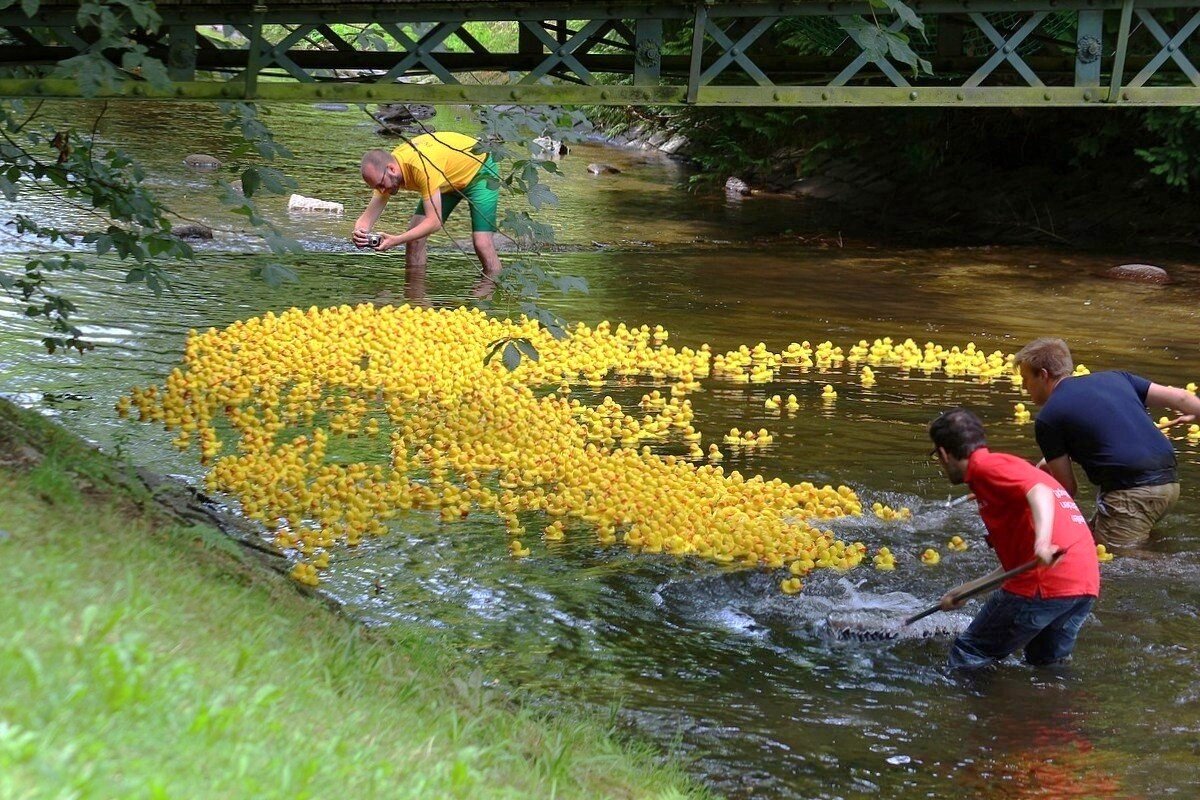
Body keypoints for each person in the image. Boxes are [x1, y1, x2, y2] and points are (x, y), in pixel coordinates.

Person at [929, 408, 1099, 669]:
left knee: (970, 651)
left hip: (1046, 583)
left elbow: (1040, 492)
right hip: (1082, 583)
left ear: (943, 453)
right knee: (1045, 665)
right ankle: (1054, 709)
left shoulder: (986, 467)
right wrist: (970, 590)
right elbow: (1017, 563)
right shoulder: (1008, 468)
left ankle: (975, 711)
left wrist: (1042, 543)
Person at [1014, 337, 1200, 549]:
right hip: (1170, 484)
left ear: (1044, 375)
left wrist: (1034, 509)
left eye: (1026, 379)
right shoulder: (1117, 378)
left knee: (1113, 559)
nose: (1024, 386)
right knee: (1093, 539)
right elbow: (1183, 398)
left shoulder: (1049, 417)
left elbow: (1067, 489)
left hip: (1132, 493)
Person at [353, 132, 502, 282]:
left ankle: (493, 294)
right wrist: (360, 232)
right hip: (445, 179)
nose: (382, 191)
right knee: (415, 240)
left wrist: (396, 240)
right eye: (377, 188)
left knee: (482, 243)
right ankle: (416, 301)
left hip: (480, 172)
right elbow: (368, 216)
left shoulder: (421, 167)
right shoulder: (384, 172)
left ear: (391, 169)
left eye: (381, 185)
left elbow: (434, 222)